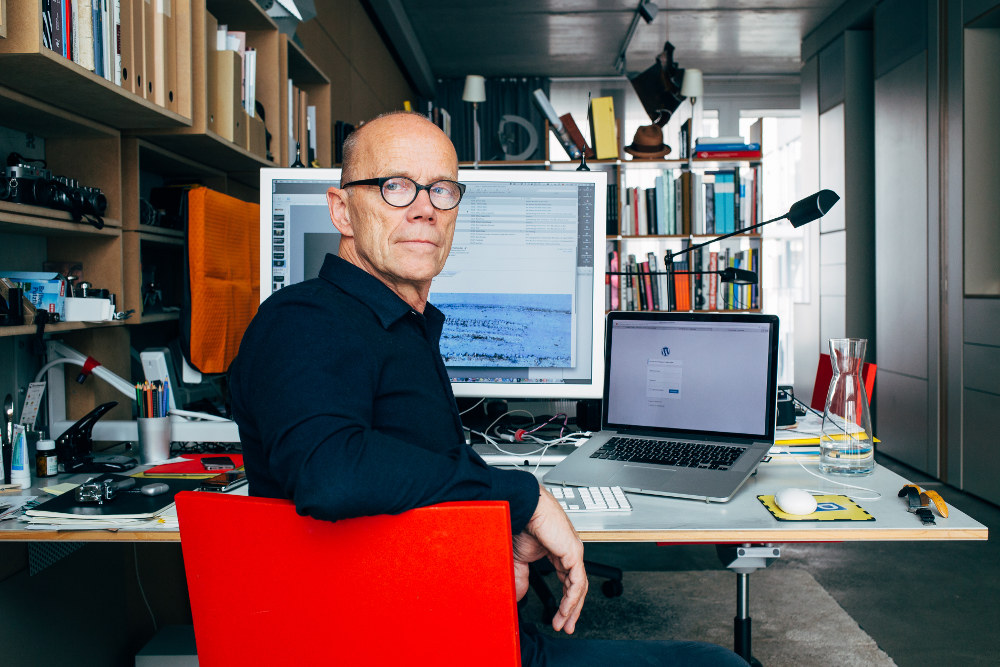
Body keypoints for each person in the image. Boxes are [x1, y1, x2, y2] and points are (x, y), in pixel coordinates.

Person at [229, 111, 747, 667]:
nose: (424, 207)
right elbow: (329, 471)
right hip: (394, 648)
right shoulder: (305, 317)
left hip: (453, 628)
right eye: (395, 187)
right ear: (342, 210)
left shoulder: (400, 327)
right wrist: (521, 495)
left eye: (442, 189)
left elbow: (407, 481)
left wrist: (489, 527)